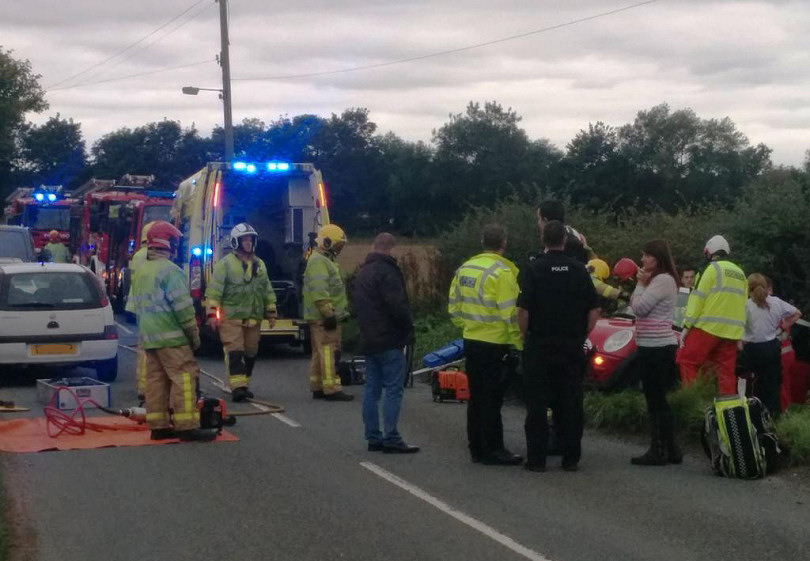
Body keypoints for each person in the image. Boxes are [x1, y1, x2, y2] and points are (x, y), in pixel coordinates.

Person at [518, 221, 600, 472]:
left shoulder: (533, 269)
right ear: (565, 240)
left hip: (540, 345)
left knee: (537, 405)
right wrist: (580, 335)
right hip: (571, 346)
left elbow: (523, 310)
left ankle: (537, 460)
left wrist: (524, 337)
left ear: (544, 239)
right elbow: (594, 310)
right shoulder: (579, 270)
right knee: (571, 402)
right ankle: (571, 458)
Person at [128, 221, 214, 442]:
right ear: (169, 244)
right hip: (172, 337)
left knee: (156, 381)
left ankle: (158, 425)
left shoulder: (142, 271)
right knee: (184, 377)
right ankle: (186, 426)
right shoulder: (171, 271)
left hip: (150, 338)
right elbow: (183, 310)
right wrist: (194, 337)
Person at [449, 223, 523, 466]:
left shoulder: (465, 269)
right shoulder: (502, 272)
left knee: (476, 397)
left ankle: (476, 448)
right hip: (496, 343)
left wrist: (470, 325)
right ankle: (494, 449)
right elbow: (509, 314)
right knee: (493, 399)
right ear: (503, 244)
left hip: (472, 340)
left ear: (483, 243)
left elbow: (454, 307)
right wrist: (518, 343)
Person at [352, 233, 419, 454]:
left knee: (372, 389)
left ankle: (373, 436)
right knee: (393, 389)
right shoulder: (387, 272)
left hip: (369, 338)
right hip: (389, 339)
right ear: (390, 248)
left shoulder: (363, 272)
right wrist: (409, 327)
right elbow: (397, 306)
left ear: (374, 246)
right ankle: (391, 436)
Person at [205, 223, 278, 402]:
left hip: (253, 318)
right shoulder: (225, 265)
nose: (248, 242)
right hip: (231, 319)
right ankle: (238, 387)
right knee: (235, 351)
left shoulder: (260, 265)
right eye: (244, 239)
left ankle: (244, 383)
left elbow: (266, 288)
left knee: (251, 352)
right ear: (236, 242)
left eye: (250, 239)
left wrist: (271, 311)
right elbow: (214, 291)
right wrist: (212, 314)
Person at [629, 240, 683, 466]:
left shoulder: (662, 280)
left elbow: (639, 308)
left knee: (655, 398)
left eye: (646, 255)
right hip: (654, 344)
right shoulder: (663, 280)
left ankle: (658, 449)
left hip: (656, 346)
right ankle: (670, 448)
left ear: (656, 257)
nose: (642, 260)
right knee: (658, 398)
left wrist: (640, 284)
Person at [678, 235, 747, 395]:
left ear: (710, 253)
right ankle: (727, 411)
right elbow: (744, 304)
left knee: (686, 360)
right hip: (731, 333)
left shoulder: (710, 269)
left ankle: (691, 400)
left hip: (708, 328)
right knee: (726, 373)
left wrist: (687, 326)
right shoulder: (740, 273)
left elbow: (697, 299)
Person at [302, 223, 353, 401]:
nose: (339, 249)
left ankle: (317, 386)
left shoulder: (323, 260)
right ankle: (331, 388)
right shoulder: (319, 262)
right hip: (324, 317)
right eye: (338, 245)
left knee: (319, 352)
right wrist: (328, 313)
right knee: (329, 352)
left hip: (321, 316)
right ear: (327, 242)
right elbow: (319, 290)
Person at [742, 273, 802, 418]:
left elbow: (740, 330)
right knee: (772, 387)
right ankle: (774, 420)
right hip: (771, 348)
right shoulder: (776, 302)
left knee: (753, 386)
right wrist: (782, 327)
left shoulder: (746, 305)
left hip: (751, 349)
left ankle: (753, 418)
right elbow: (797, 313)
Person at [125, 221, 156, 401]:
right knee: (147, 349)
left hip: (139, 306)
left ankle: (144, 385)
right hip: (149, 307)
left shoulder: (138, 255)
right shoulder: (147, 255)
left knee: (144, 348)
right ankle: (145, 387)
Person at [536, 200, 595, 264]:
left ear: (545, 220)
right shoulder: (574, 235)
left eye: (539, 219)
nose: (538, 223)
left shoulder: (563, 242)